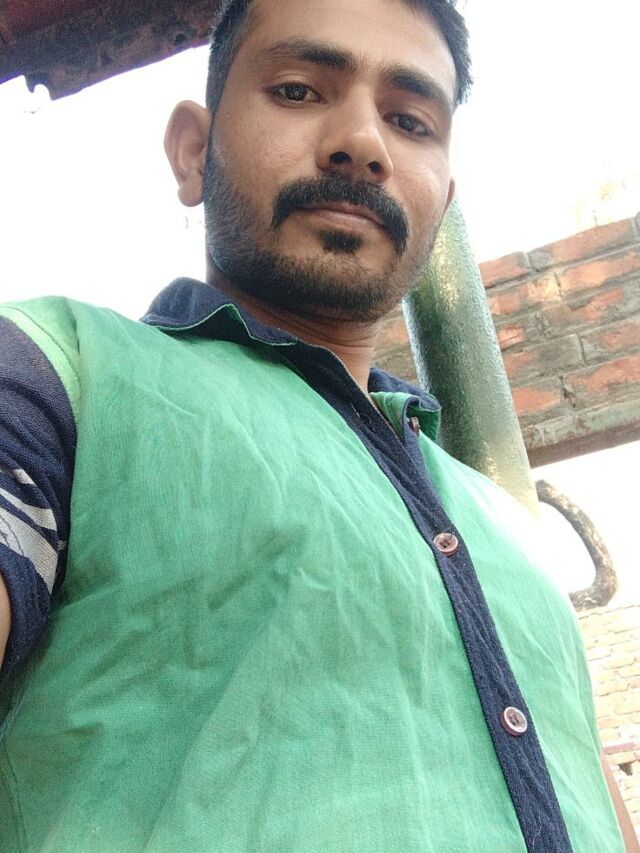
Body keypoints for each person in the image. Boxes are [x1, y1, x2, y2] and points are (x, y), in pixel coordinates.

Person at [0, 0, 636, 849]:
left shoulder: (505, 527)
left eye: (410, 121)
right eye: (299, 90)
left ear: (440, 201)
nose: (363, 142)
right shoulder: (59, 370)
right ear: (193, 151)